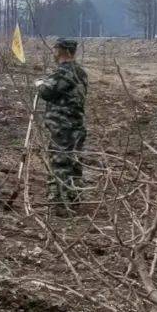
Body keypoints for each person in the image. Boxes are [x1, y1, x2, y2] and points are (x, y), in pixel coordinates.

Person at [35, 38, 88, 210]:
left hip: (62, 126)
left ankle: (60, 203)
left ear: (63, 51)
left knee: (60, 162)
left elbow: (46, 92)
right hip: (77, 125)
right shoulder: (81, 72)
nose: (53, 52)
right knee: (74, 162)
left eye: (55, 49)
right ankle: (74, 198)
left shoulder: (63, 72)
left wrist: (40, 84)